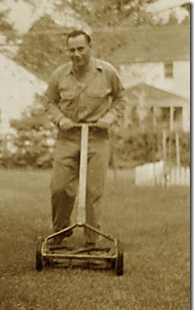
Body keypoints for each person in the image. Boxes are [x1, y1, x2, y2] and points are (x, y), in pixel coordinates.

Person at [45, 30, 125, 246]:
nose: (76, 54)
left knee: (93, 190)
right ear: (67, 51)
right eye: (71, 50)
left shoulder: (107, 72)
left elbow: (120, 100)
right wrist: (60, 119)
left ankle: (92, 240)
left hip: (97, 138)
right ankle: (60, 231)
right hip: (68, 137)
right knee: (60, 188)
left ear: (90, 47)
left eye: (81, 49)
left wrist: (109, 117)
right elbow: (50, 103)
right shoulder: (59, 75)